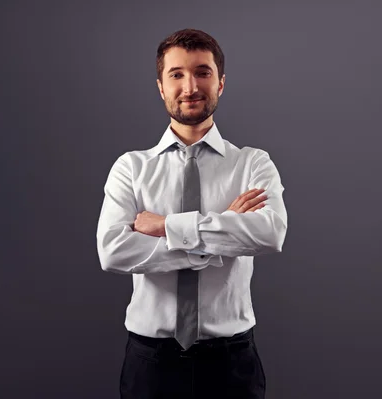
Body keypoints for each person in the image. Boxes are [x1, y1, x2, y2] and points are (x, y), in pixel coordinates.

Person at [96, 28, 288, 399]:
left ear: (221, 83)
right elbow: (114, 252)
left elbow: (269, 234)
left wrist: (166, 226)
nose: (190, 86)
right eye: (177, 74)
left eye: (202, 72)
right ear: (160, 86)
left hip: (232, 362)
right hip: (150, 363)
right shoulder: (131, 168)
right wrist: (220, 236)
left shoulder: (252, 163)